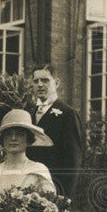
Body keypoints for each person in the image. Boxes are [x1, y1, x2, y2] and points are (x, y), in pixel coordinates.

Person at [24, 64, 84, 198]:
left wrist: (64, 197)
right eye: (36, 81)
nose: (40, 85)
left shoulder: (68, 114)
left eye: (45, 80)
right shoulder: (28, 114)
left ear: (56, 83)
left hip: (55, 189)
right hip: (29, 189)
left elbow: (73, 160)